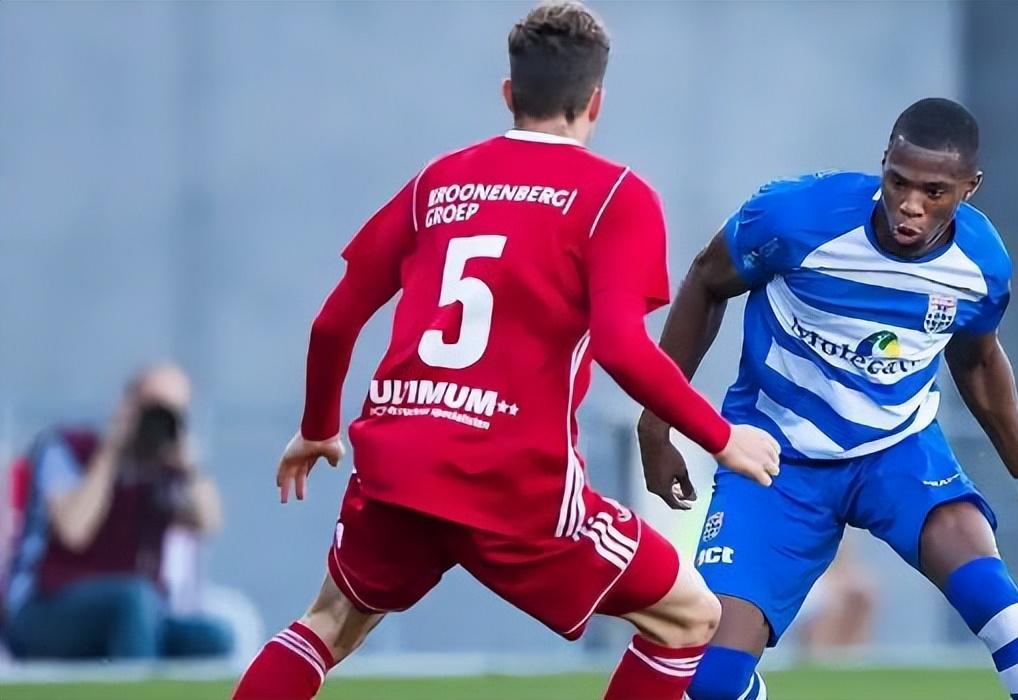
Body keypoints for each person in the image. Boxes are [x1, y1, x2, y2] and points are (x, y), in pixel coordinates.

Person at [231, 3, 779, 699]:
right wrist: (722, 437)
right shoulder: (617, 196)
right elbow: (620, 347)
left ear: (508, 93)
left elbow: (333, 323)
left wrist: (316, 428)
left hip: (401, 459)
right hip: (516, 481)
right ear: (596, 101)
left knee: (328, 622)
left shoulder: (438, 181)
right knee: (689, 619)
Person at [638, 98, 1018, 700]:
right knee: (711, 682)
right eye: (899, 181)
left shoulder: (981, 265)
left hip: (898, 454)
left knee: (998, 606)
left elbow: (979, 364)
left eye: (934, 191)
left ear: (970, 188)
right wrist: (658, 422)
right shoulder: (794, 217)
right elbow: (705, 279)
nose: (911, 204)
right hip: (775, 460)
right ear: (883, 164)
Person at [2, 363, 231, 659]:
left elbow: (209, 523)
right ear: (128, 403)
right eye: (153, 408)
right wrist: (111, 452)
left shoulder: (165, 469)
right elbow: (74, 530)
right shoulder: (67, 449)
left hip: (134, 614)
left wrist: (191, 467)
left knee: (213, 639)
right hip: (44, 609)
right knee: (135, 600)